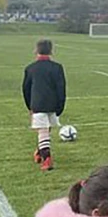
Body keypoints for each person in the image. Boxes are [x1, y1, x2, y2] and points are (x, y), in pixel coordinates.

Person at [22, 39, 67, 171]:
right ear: (51, 51)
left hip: (37, 104)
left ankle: (46, 159)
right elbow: (61, 88)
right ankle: (40, 152)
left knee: (43, 130)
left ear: (36, 50)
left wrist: (30, 106)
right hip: (53, 104)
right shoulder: (57, 67)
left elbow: (26, 89)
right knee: (45, 129)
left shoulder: (30, 68)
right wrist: (60, 105)